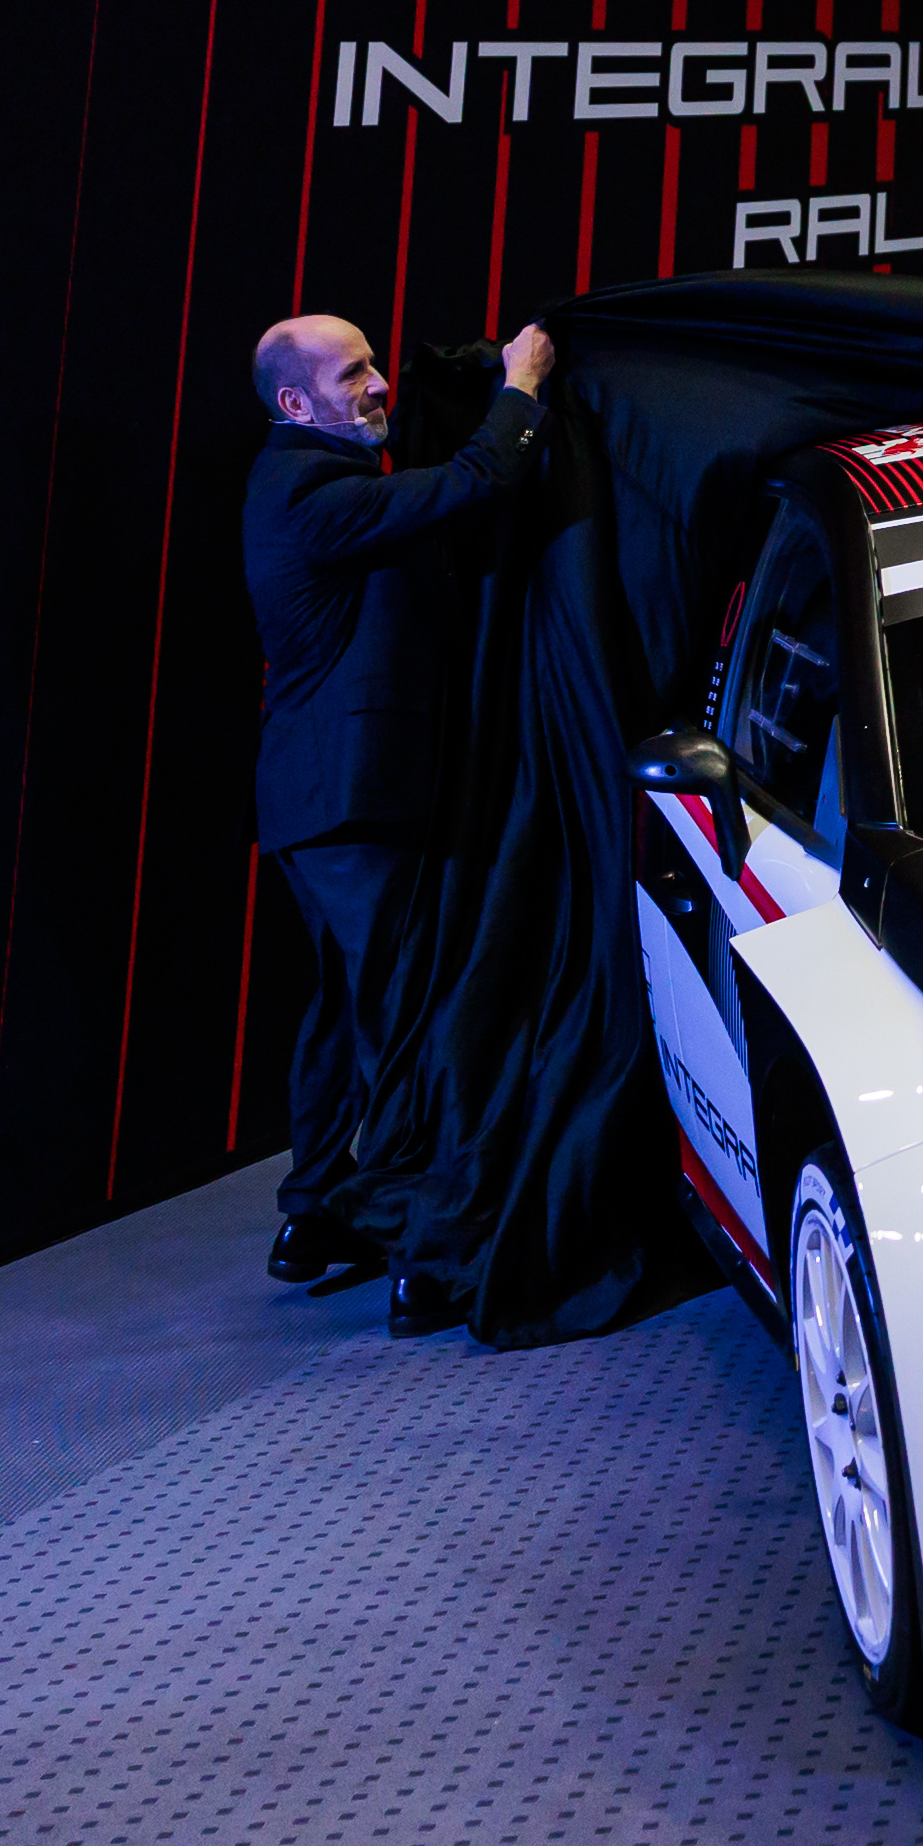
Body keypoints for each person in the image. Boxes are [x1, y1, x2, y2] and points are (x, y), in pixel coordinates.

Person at [244, 312, 556, 1326]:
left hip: (322, 808)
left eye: (375, 364)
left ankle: (315, 1213)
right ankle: (424, 1252)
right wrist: (522, 388)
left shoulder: (305, 478)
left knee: (347, 1012)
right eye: (353, 375)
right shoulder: (310, 492)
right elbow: (475, 482)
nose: (378, 385)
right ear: (296, 403)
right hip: (351, 807)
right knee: (403, 1021)